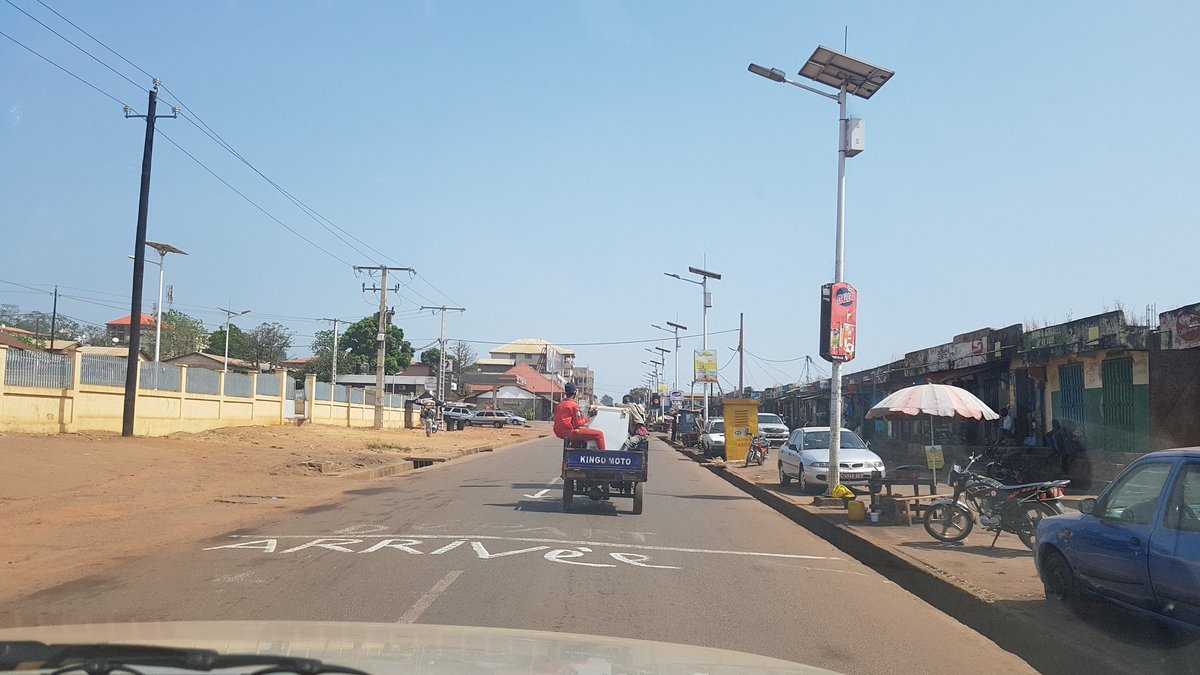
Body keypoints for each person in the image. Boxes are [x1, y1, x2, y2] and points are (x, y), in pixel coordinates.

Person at [554, 382, 605, 450]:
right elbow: (578, 424)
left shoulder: (559, 405)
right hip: (569, 433)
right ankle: (604, 457)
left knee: (579, 439)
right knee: (599, 435)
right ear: (575, 393)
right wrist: (589, 416)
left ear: (566, 393)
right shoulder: (574, 405)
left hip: (559, 432)